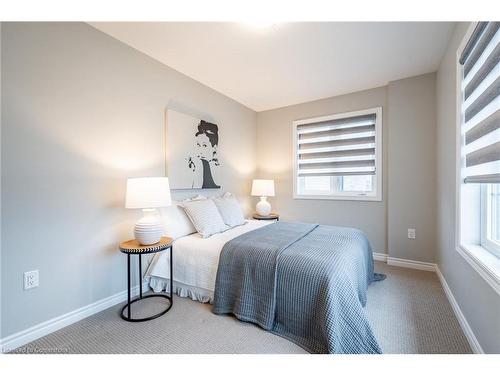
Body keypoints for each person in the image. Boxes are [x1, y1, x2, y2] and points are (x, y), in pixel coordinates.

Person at [188, 120, 220, 189]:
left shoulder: (204, 164)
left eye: (205, 145)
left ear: (214, 148)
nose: (200, 150)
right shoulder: (196, 164)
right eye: (198, 145)